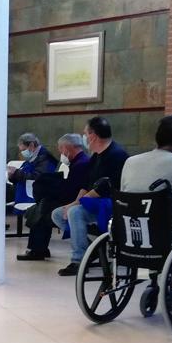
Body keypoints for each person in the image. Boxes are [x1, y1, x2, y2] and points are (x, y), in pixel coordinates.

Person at [52, 116, 130, 276]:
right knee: (58, 214)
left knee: (75, 212)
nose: (85, 137)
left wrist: (77, 205)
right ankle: (93, 250)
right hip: (94, 201)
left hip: (112, 203)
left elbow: (104, 187)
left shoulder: (117, 155)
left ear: (93, 135)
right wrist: (73, 202)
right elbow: (87, 184)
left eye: (86, 133)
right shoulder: (96, 156)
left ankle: (78, 260)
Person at [18, 133, 88, 261]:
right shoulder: (77, 162)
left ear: (67, 148)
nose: (60, 152)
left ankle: (38, 249)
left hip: (75, 201)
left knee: (43, 209)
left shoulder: (81, 164)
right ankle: (38, 249)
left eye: (60, 149)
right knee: (42, 206)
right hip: (71, 198)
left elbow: (74, 189)